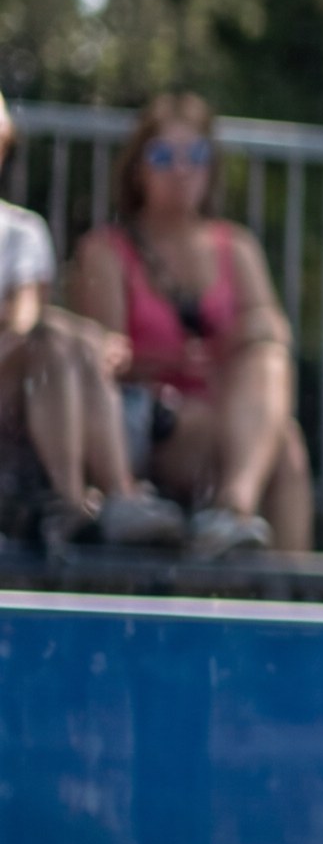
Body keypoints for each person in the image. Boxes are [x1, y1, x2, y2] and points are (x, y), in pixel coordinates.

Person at [64, 92, 311, 554]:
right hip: (151, 424)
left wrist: (233, 344)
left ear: (211, 166)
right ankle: (248, 540)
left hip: (226, 413)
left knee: (275, 390)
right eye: (164, 156)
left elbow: (271, 332)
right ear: (138, 168)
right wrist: (185, 357)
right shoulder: (107, 250)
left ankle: (240, 520)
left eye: (195, 155)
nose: (182, 169)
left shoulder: (236, 247)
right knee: (285, 448)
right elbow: (106, 359)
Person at [0, 94, 181, 550]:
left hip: (13, 377)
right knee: (65, 337)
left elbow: (23, 324)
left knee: (67, 340)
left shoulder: (22, 232)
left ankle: (88, 498)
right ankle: (93, 497)